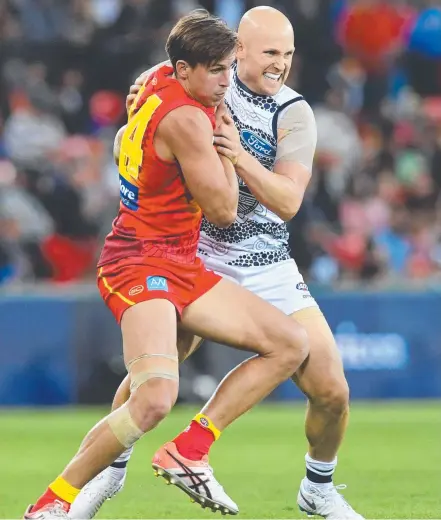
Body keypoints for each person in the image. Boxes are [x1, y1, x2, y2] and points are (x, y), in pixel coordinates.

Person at [70, 6, 363, 520]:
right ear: (237, 52)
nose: (281, 65)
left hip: (267, 261)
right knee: (155, 370)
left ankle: (318, 487)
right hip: (196, 250)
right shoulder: (198, 81)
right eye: (270, 53)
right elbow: (135, 126)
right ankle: (106, 477)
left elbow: (289, 202)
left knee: (332, 390)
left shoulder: (292, 113)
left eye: (289, 54)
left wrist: (239, 156)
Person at [23, 10, 310, 520]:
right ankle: (52, 503)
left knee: (289, 344)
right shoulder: (189, 121)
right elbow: (223, 209)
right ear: (184, 70)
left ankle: (190, 450)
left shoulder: (157, 80)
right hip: (138, 262)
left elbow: (121, 139)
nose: (227, 82)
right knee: (155, 397)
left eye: (229, 68)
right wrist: (229, 147)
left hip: (181, 259)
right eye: (217, 71)